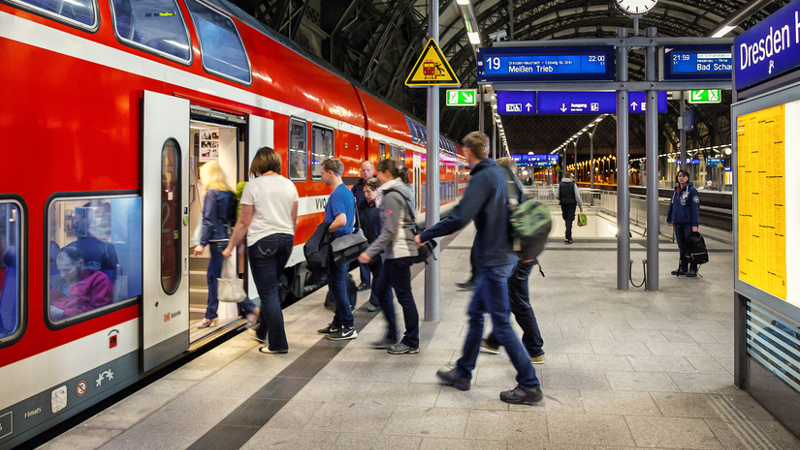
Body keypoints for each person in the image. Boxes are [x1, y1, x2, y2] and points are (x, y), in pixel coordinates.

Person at [416, 131, 543, 405]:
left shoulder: (483, 177)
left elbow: (459, 217)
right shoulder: (501, 174)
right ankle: (462, 373)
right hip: (504, 257)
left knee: (501, 324)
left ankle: (529, 384)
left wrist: (426, 234)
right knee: (475, 314)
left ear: (467, 152)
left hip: (494, 260)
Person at [223, 147, 298, 354]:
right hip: (286, 240)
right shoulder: (289, 184)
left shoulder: (253, 186)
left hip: (262, 242)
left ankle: (278, 344)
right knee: (271, 289)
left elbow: (244, 222)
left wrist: (230, 247)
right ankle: (261, 331)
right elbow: (293, 220)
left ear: (258, 164)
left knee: (268, 294)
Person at [480, 157, 545, 364]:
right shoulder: (518, 189)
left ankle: (535, 349)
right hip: (523, 255)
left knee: (520, 303)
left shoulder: (509, 193)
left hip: (519, 258)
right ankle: (493, 341)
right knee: (508, 299)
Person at [358, 159, 420, 355]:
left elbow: (389, 231)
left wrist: (370, 251)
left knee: (404, 296)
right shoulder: (398, 191)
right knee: (381, 288)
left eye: (378, 173)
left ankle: (411, 340)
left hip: (400, 252)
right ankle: (392, 333)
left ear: (386, 173)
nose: (376, 176)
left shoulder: (392, 196)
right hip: (397, 252)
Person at [193, 162, 258, 329]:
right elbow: (231, 219)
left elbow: (208, 220)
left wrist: (202, 243)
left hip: (216, 240)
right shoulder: (229, 193)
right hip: (226, 238)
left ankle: (247, 308)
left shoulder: (211, 193)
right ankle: (211, 314)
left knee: (214, 278)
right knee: (219, 277)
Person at [317, 158, 358, 341]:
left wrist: (324, 229)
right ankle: (337, 323)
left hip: (338, 245)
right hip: (345, 244)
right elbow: (352, 221)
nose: (321, 175)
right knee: (336, 284)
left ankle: (349, 325)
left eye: (322, 172)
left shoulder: (336, 195)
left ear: (330, 173)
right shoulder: (347, 192)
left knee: (338, 286)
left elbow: (341, 220)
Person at [49, 247, 114, 320]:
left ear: (80, 263)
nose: (62, 275)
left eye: (66, 270)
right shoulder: (59, 282)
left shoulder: (99, 279)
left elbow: (99, 311)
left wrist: (63, 313)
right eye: (60, 270)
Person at [359, 178, 391, 312]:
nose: (366, 194)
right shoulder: (363, 205)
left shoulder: (384, 205)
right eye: (364, 192)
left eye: (368, 191)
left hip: (381, 247)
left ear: (376, 190)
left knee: (379, 275)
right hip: (368, 245)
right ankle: (383, 300)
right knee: (378, 275)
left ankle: (376, 301)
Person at [667, 170, 700, 277]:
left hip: (688, 223)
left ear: (687, 178)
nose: (681, 178)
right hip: (677, 223)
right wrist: (670, 218)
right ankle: (683, 267)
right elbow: (672, 206)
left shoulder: (692, 191)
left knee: (691, 246)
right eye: (679, 176)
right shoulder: (675, 191)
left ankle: (693, 269)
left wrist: (695, 224)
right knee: (681, 246)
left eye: (683, 176)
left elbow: (695, 209)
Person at [352, 161, 375, 291]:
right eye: (363, 170)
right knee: (363, 253)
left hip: (375, 225)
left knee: (377, 256)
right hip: (362, 225)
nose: (365, 172)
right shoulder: (357, 187)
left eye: (367, 170)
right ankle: (365, 281)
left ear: (372, 170)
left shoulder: (379, 186)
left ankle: (379, 281)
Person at [555, 172, 582, 244]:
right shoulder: (573, 185)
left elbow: (557, 195)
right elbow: (577, 196)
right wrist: (580, 206)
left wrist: (562, 198)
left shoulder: (560, 185)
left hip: (563, 204)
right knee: (569, 219)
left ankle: (568, 235)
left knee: (566, 219)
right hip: (572, 204)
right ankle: (568, 237)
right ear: (570, 177)